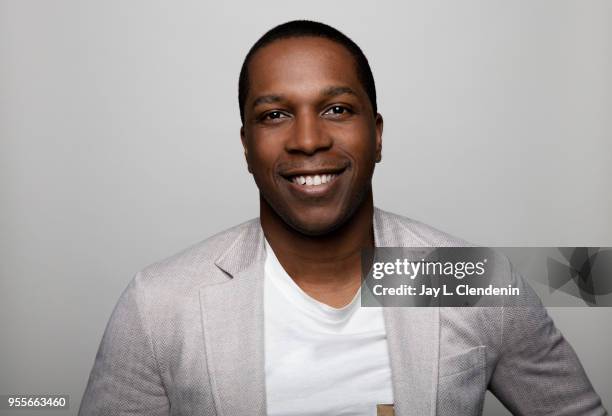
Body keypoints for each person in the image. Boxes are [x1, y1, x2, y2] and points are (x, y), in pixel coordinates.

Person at [79, 20, 607, 416]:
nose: (309, 139)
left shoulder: (461, 278)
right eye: (274, 115)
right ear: (246, 145)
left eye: (337, 109)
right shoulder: (159, 303)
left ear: (377, 134)